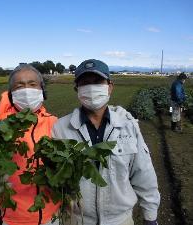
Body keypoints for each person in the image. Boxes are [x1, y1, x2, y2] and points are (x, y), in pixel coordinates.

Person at [52, 59, 160, 225]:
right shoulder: (60, 128)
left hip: (120, 220)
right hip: (76, 219)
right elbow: (54, 179)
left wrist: (150, 215)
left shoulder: (127, 126)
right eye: (85, 83)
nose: (92, 88)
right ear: (77, 89)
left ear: (110, 86)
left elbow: (143, 172)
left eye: (97, 82)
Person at [0, 64, 60, 225]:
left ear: (42, 91)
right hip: (10, 220)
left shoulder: (56, 124)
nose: (26, 90)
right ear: (11, 94)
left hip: (52, 218)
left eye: (32, 84)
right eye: (19, 85)